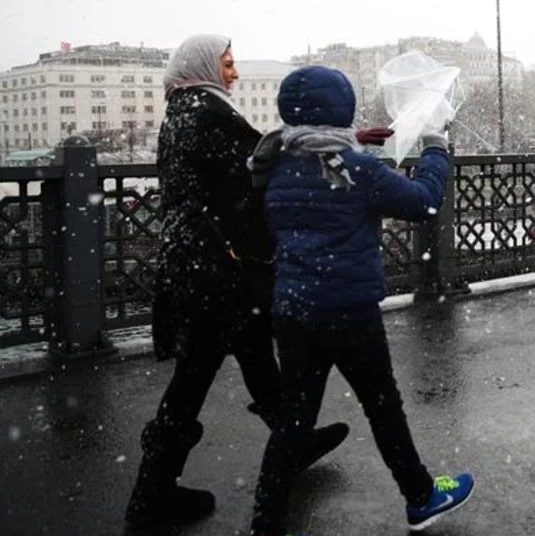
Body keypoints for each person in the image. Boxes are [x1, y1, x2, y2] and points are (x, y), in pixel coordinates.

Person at [126, 36, 348, 528]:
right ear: (204, 66)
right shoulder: (205, 112)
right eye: (227, 64)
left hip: (199, 258)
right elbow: (258, 162)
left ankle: (294, 440)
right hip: (214, 265)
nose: (234, 73)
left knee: (251, 350)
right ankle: (151, 494)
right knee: (193, 378)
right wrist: (329, 145)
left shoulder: (181, 111)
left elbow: (246, 162)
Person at [247, 65, 474, 536]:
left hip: (293, 311)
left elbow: (319, 169)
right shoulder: (357, 169)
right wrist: (435, 147)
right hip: (349, 312)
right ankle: (421, 497)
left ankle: (265, 521)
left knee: (294, 417)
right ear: (343, 108)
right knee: (383, 408)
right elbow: (423, 202)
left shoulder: (274, 162)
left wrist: (350, 141)